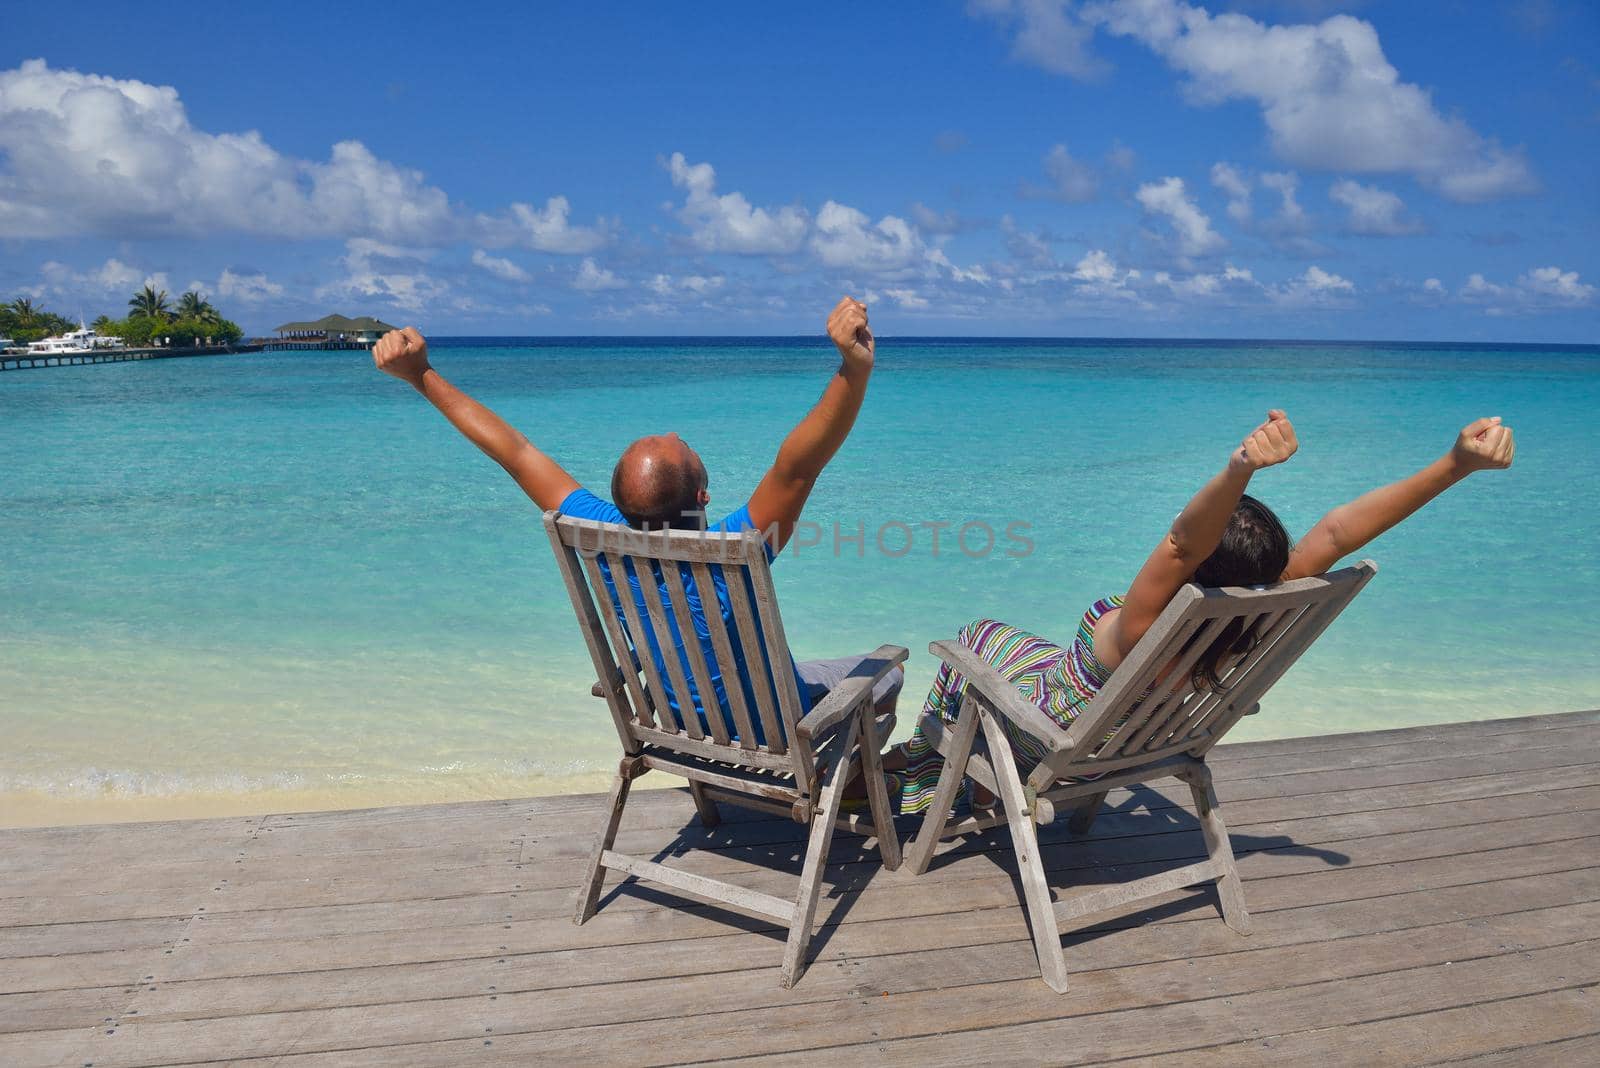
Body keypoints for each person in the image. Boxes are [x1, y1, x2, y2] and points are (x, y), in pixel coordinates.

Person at [886, 410, 1516, 812]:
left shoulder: (1145, 627)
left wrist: (1241, 467)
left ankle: (920, 781)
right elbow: (1337, 534)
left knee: (969, 642)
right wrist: (1454, 465)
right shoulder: (1253, 616)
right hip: (1130, 738)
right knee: (1004, 640)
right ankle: (925, 770)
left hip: (1049, 734)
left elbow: (1181, 542)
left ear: (1195, 573)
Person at [371, 297, 902, 742]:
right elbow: (798, 467)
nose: (676, 432)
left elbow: (514, 451)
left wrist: (420, 376)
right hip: (774, 732)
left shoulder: (600, 539)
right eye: (685, 445)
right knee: (887, 674)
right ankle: (850, 787)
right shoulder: (736, 550)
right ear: (703, 493)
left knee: (814, 672)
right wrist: (854, 369)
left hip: (682, 730)